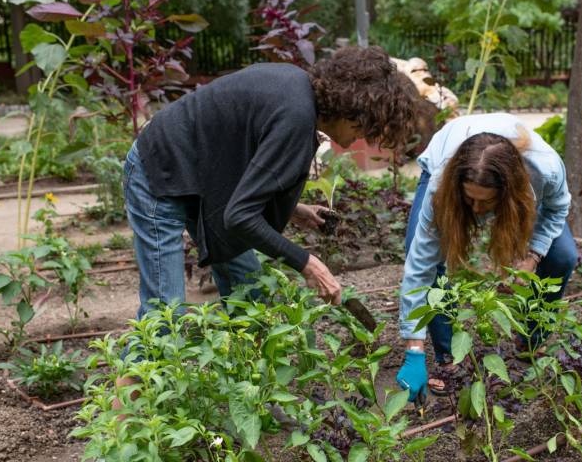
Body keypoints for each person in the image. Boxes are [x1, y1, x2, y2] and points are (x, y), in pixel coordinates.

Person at [114, 46, 418, 400]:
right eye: (362, 126)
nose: (359, 138)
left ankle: (255, 400)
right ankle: (122, 430)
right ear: (351, 108)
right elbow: (240, 215)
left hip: (206, 180)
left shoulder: (298, 94)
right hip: (160, 173)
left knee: (252, 297)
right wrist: (307, 263)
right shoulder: (296, 114)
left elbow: (239, 164)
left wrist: (296, 210)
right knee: (163, 318)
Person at [395, 113, 578, 402]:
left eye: (487, 202)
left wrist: (532, 256)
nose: (477, 210)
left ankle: (530, 340)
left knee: (564, 255)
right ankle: (448, 356)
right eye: (470, 200)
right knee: (419, 253)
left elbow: (557, 209)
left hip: (522, 179)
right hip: (448, 154)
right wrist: (413, 350)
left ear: (508, 194)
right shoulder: (443, 182)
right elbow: (420, 266)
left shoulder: (547, 169)